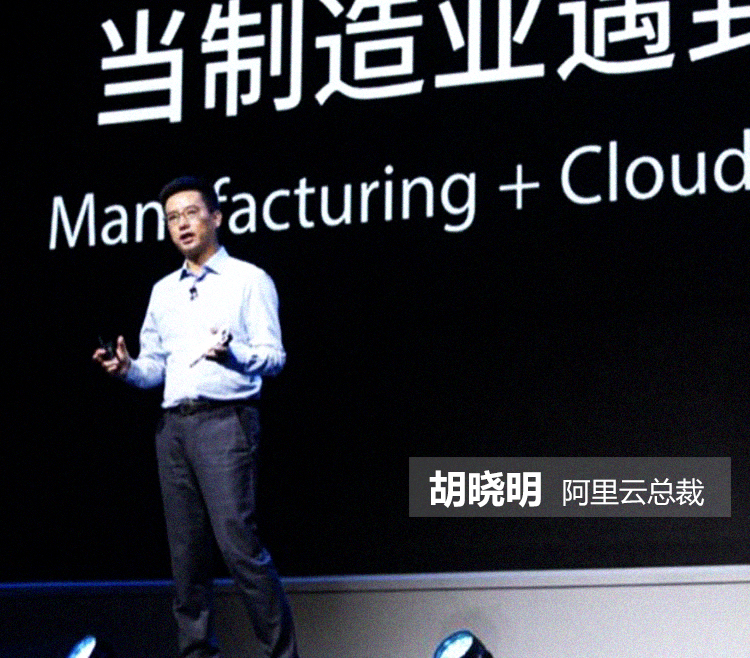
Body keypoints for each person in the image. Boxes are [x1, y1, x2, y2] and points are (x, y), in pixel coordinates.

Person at [93, 176, 299, 658]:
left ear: (216, 217)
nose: (181, 224)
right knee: (186, 559)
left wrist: (233, 356)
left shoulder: (249, 280)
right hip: (172, 429)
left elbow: (274, 358)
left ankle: (281, 654)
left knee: (239, 547)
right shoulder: (163, 291)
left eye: (190, 213)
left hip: (226, 423)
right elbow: (155, 368)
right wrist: (128, 369)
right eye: (172, 218)